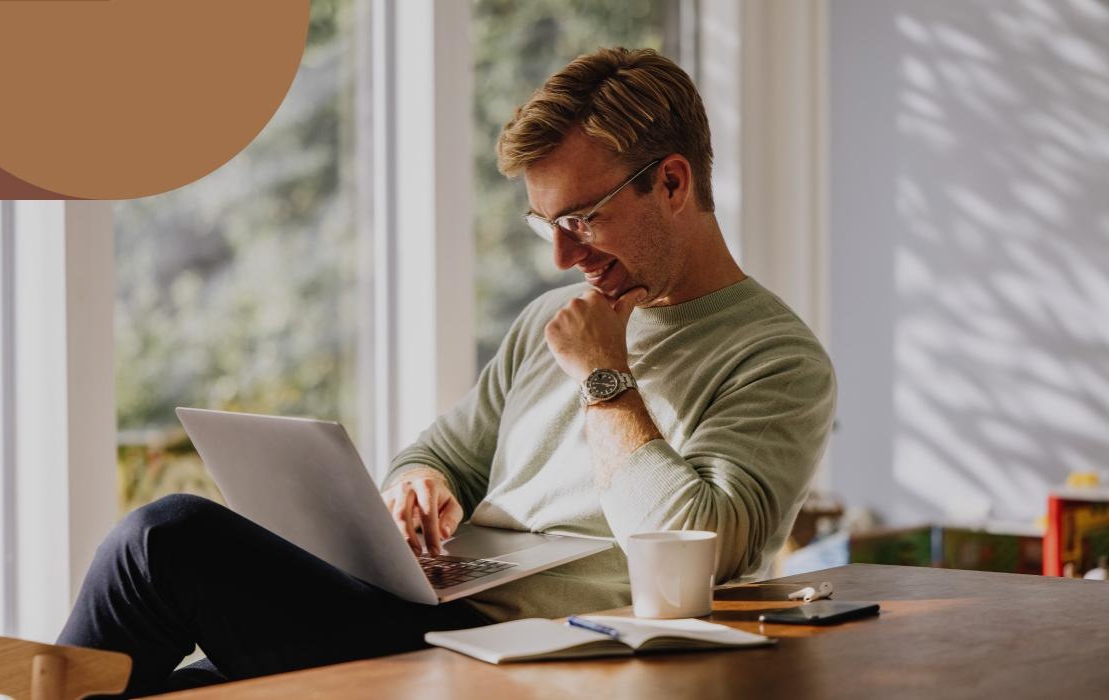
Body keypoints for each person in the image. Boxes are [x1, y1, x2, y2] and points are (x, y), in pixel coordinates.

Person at [57, 47, 836, 697]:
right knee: (151, 688)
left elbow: (699, 546)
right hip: (419, 610)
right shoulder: (548, 324)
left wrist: (605, 376)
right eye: (546, 226)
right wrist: (417, 485)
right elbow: (443, 455)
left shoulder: (777, 361)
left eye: (582, 219)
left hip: (530, 652)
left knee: (165, 541)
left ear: (671, 183)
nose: (564, 257)